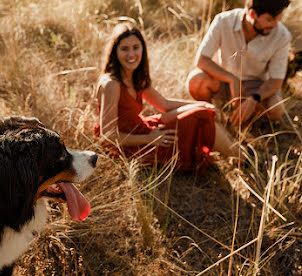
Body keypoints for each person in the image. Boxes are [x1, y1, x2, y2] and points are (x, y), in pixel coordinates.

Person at [94, 22, 241, 172]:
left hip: (141, 129)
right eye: (125, 49)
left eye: (136, 48)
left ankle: (239, 155)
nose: (131, 54)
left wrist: (202, 104)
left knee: (201, 112)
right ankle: (242, 158)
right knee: (200, 116)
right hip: (127, 145)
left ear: (142, 49)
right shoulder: (111, 84)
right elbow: (108, 136)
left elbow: (164, 104)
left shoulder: (135, 77)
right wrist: (150, 138)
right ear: (115, 52)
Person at [187, 0, 291, 125]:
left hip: (256, 88)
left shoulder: (282, 35)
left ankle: (248, 121)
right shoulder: (223, 20)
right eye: (270, 20)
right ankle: (212, 117)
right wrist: (232, 79)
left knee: (276, 109)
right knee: (195, 80)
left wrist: (254, 100)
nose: (275, 25)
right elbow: (201, 60)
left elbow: (276, 81)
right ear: (252, 14)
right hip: (224, 83)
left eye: (278, 19)